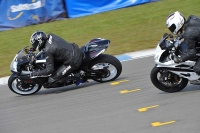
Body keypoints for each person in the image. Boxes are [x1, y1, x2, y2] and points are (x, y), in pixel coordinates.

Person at [166, 11, 200, 75]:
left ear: (177, 24)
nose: (172, 29)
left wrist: (180, 59)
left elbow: (192, 53)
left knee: (197, 69)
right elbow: (195, 31)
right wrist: (181, 36)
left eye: (172, 27)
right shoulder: (192, 18)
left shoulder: (188, 34)